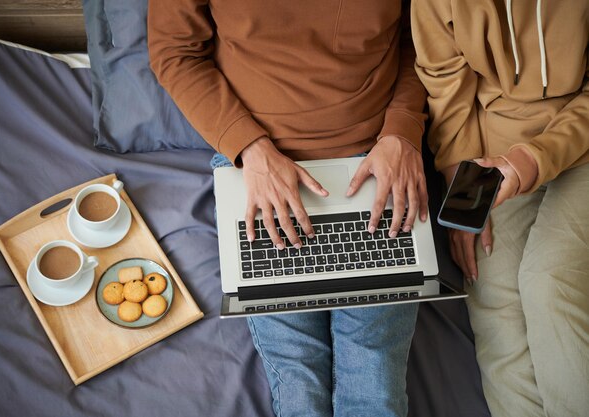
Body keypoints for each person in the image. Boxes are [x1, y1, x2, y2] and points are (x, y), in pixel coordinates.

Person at [149, 1, 427, 415]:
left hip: (373, 158)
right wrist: (248, 147)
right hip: (258, 165)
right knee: (299, 379)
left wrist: (402, 130)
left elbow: (421, 38)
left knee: (375, 377)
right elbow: (174, 50)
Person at [411, 1, 589, 416]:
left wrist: (532, 159)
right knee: (497, 308)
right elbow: (447, 93)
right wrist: (465, 201)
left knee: (550, 283)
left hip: (581, 147)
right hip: (492, 160)